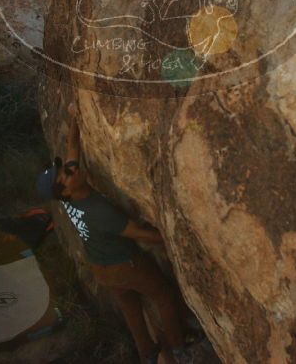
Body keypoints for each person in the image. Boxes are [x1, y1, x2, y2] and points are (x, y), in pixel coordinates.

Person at [36, 103, 188, 364]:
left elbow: (73, 148)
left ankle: (147, 354)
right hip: (125, 264)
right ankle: (179, 350)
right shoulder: (98, 210)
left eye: (68, 168)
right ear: (65, 190)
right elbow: (141, 234)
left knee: (131, 310)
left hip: (101, 269)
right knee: (163, 295)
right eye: (67, 174)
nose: (72, 168)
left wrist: (75, 118)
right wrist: (176, 239)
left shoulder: (69, 198)